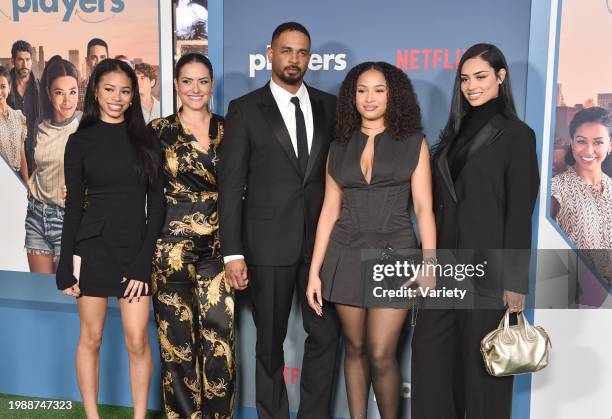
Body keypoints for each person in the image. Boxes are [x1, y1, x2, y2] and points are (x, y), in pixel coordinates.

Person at [218, 22, 340, 419]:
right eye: (287, 51)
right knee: (269, 343)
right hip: (266, 245)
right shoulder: (245, 109)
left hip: (320, 247)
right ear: (270, 54)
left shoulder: (330, 106)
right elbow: (231, 185)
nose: (295, 59)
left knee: (324, 336)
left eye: (303, 52)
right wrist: (232, 252)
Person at [411, 43, 540, 419]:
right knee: (432, 363)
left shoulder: (518, 135)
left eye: (481, 77)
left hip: (490, 271)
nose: (471, 86)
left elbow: (520, 214)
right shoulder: (452, 133)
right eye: (465, 79)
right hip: (445, 268)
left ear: (501, 76)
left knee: (484, 372)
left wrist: (515, 283)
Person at [306, 62, 436, 419]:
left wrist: (430, 262)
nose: (370, 98)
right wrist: (315, 272)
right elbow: (329, 212)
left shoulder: (413, 144)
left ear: (393, 95)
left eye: (379, 89)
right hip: (344, 252)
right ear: (352, 97)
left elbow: (424, 209)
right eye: (361, 90)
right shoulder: (338, 147)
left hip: (395, 253)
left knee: (381, 352)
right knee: (355, 347)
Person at [56, 59, 164, 419]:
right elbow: (73, 210)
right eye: (109, 89)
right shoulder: (79, 142)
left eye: (125, 90)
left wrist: (143, 261)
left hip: (134, 249)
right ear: (96, 92)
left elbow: (158, 206)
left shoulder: (148, 141)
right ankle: (92, 415)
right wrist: (64, 264)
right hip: (92, 248)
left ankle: (137, 416)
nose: (117, 97)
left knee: (137, 340)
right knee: (92, 337)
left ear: (133, 96)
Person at [149, 53, 234, 418]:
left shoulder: (230, 129)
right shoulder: (157, 131)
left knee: (220, 342)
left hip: (220, 248)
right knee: (176, 346)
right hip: (170, 250)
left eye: (202, 81)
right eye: (187, 81)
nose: (195, 89)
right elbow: (136, 185)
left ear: (211, 84)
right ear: (175, 85)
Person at [25, 56, 81, 273]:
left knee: (65, 294)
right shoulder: (39, 124)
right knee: (40, 291)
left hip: (67, 219)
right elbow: (36, 167)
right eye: (60, 92)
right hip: (36, 216)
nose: (67, 100)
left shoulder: (84, 125)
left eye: (72, 91)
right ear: (48, 93)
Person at [551, 106, 612, 281]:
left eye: (598, 142)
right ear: (572, 142)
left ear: (610, 145)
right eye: (581, 141)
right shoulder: (556, 189)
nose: (589, 150)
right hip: (574, 298)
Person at [8, 40, 40, 176]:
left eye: (27, 59)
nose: (25, 64)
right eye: (20, 59)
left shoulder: (40, 87)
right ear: (13, 60)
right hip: (11, 151)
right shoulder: (4, 86)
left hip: (35, 150)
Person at [0, 65, 28, 182]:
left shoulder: (18, 117)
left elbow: (22, 156)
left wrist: (27, 187)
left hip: (17, 179)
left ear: (9, 87)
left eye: (2, 86)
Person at [77, 38, 109, 111]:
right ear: (87, 60)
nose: (98, 62)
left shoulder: (118, 88)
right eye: (94, 57)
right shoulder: (78, 90)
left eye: (102, 57)